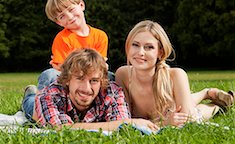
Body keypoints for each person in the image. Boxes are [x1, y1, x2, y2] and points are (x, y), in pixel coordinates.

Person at [115, 20, 234, 127]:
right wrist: (164, 123)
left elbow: (188, 120)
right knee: (190, 107)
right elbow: (125, 120)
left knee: (195, 115)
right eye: (135, 45)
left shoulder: (176, 75)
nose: (140, 52)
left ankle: (217, 105)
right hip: (169, 115)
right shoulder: (122, 75)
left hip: (179, 110)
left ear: (160, 53)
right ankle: (205, 93)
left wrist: (156, 124)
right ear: (128, 47)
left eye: (149, 47)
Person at [22, 48, 158, 131]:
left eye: (94, 81)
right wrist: (125, 123)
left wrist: (123, 123)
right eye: (80, 78)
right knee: (31, 108)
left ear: (102, 81)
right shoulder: (49, 95)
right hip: (35, 106)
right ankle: (30, 94)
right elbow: (60, 129)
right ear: (68, 79)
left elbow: (121, 126)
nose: (86, 89)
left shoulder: (112, 92)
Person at [37, 0, 114, 90]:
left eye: (71, 10)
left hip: (91, 78)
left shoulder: (100, 36)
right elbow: (64, 70)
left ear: (81, 5)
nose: (69, 17)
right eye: (62, 16)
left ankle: (103, 104)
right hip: (68, 80)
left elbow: (100, 67)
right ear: (59, 23)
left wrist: (100, 67)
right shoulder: (62, 38)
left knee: (111, 76)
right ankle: (36, 100)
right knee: (50, 74)